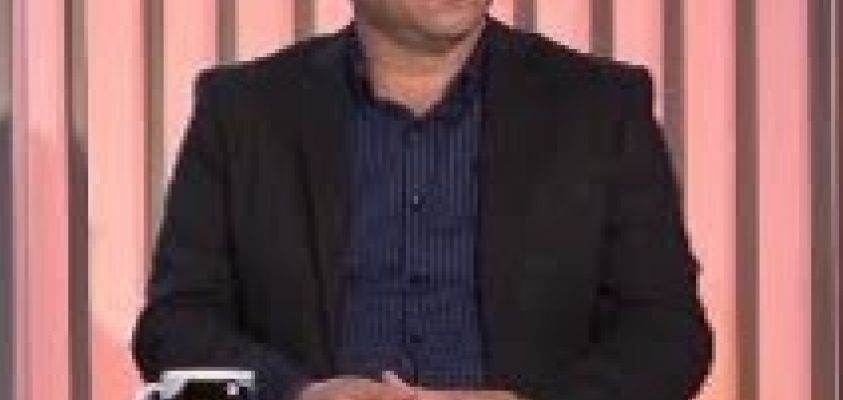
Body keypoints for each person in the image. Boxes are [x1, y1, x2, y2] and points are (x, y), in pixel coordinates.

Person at [131, 1, 711, 399]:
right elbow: (176, 325)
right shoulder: (244, 111)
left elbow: (667, 333)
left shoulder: (600, 106)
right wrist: (299, 394)